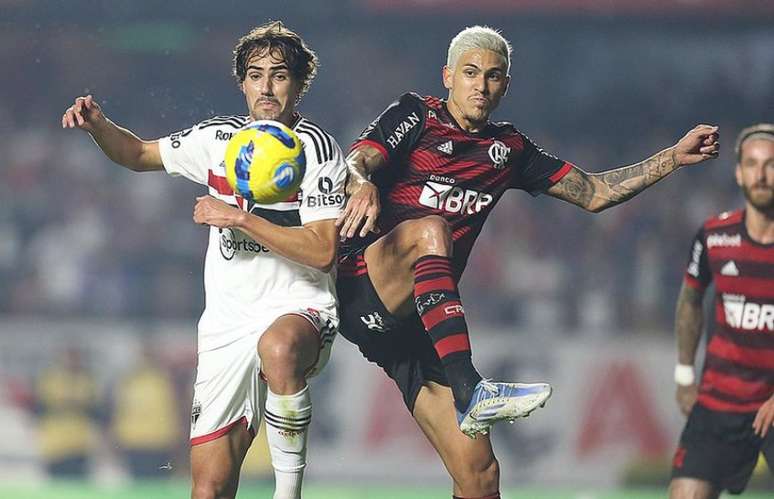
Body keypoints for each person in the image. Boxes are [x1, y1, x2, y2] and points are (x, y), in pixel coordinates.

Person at [335, 25, 720, 499]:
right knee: (430, 230)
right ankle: (471, 387)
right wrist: (363, 181)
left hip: (418, 324)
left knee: (480, 475)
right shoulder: (416, 114)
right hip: (364, 284)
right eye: (471, 73)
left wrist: (672, 159)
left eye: (493, 76)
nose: (481, 85)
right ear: (448, 76)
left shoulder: (509, 150)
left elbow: (595, 192)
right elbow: (357, 159)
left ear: (506, 85)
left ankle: (468, 394)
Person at [62, 21, 347, 499]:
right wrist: (98, 126)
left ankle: (289, 492)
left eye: (279, 75)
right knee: (209, 488)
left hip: (299, 305)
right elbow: (137, 154)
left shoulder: (316, 150)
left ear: (299, 84)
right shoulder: (217, 139)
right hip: (226, 327)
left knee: (278, 348)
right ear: (242, 82)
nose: (267, 87)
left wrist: (239, 219)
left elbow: (321, 252)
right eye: (255, 75)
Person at [668, 124, 774, 499]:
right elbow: (690, 301)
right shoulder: (715, 236)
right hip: (718, 403)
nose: (761, 175)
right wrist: (684, 375)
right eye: (752, 164)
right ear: (739, 172)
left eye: (770, 165)